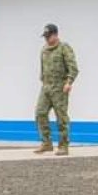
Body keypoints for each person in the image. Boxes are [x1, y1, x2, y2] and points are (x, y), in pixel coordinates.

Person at [34, 23, 78, 156]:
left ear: (55, 34)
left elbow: (73, 68)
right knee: (40, 113)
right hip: (46, 87)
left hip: (60, 88)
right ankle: (46, 143)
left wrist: (69, 82)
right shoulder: (44, 50)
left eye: (49, 36)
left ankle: (63, 145)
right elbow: (42, 68)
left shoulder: (64, 48)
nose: (46, 39)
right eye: (45, 37)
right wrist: (42, 79)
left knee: (61, 117)